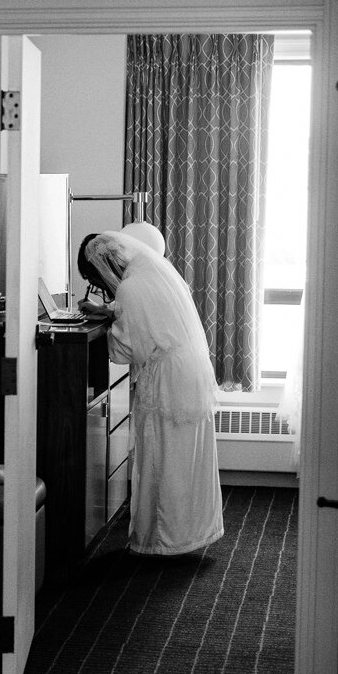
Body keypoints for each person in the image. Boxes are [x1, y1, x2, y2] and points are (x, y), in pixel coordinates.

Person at [77, 231, 224, 555]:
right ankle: (192, 532)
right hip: (188, 367)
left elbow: (126, 349)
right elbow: (149, 313)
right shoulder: (150, 271)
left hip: (167, 376)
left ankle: (163, 540)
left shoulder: (130, 286)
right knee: (185, 455)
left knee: (162, 454)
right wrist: (110, 311)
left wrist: (110, 325)